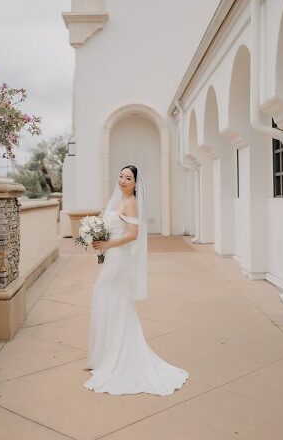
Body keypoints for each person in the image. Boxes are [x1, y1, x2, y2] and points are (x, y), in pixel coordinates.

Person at [85, 164, 188, 395]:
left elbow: (133, 234)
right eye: (121, 176)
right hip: (112, 256)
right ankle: (108, 353)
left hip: (119, 259)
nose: (122, 180)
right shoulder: (118, 200)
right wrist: (97, 238)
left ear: (135, 184)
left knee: (108, 297)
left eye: (128, 178)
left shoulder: (131, 202)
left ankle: (118, 356)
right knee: (110, 301)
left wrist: (108, 244)